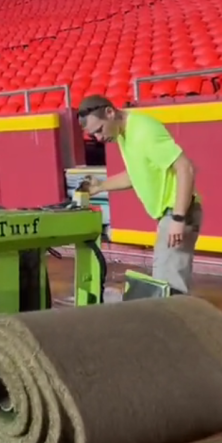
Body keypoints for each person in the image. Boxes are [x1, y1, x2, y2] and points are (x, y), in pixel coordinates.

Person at [77, 94, 202, 294]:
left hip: (178, 212)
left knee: (168, 288)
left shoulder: (144, 130)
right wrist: (100, 186)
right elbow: (136, 174)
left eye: (100, 130)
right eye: (94, 135)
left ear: (110, 112)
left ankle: (173, 324)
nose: (99, 138)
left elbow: (185, 168)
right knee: (166, 284)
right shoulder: (124, 134)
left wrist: (178, 217)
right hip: (170, 214)